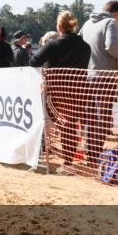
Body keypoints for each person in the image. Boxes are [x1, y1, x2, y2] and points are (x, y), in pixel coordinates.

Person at [30, 11, 91, 169]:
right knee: (70, 125)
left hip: (56, 92)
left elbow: (34, 61)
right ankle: (69, 161)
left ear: (59, 27)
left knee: (52, 123)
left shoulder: (54, 44)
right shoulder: (85, 46)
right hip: (78, 90)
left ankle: (49, 155)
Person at [78, 0, 118, 168]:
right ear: (117, 13)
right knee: (103, 116)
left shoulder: (87, 23)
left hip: (88, 75)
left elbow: (79, 42)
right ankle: (96, 154)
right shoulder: (110, 22)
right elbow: (111, 45)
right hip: (106, 75)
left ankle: (90, 152)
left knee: (90, 116)